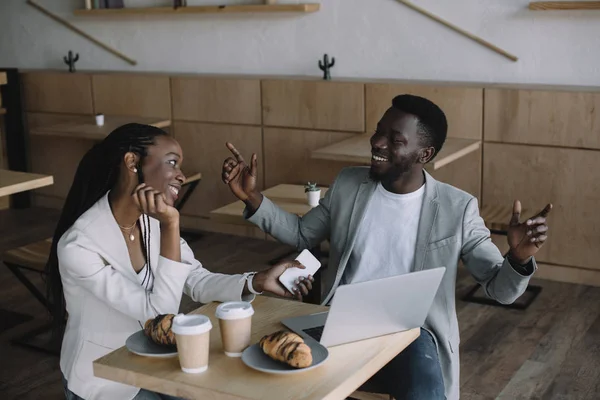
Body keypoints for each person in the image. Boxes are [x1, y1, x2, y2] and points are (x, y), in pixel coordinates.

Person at [220, 94, 552, 400]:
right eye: (379, 131)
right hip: (339, 323)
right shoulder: (350, 183)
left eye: (395, 140)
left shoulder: (457, 208)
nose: (377, 142)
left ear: (425, 154)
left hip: (413, 334)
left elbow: (499, 289)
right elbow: (303, 233)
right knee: (260, 368)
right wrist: (252, 197)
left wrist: (519, 258)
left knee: (422, 380)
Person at [46, 123, 313, 400]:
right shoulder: (79, 245)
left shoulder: (150, 220)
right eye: (172, 162)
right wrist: (171, 225)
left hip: (160, 362)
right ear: (132, 161)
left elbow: (195, 280)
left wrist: (256, 280)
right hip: (107, 376)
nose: (181, 176)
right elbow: (159, 310)